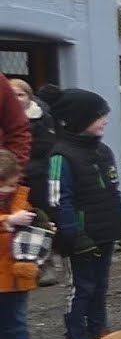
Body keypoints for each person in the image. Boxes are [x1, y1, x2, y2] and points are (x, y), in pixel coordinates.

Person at [45, 87, 121, 339]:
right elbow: (58, 201)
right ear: (80, 120)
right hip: (80, 239)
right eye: (99, 116)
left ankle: (99, 334)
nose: (105, 120)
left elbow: (113, 190)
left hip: (104, 233)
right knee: (81, 288)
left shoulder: (103, 151)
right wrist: (75, 235)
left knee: (100, 286)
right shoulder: (61, 156)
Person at [0, 149, 50, 339]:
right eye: (6, 185)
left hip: (16, 274)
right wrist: (8, 220)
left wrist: (41, 226)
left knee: (17, 320)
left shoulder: (20, 197)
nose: (10, 189)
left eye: (13, 184)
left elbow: (30, 220)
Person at [9, 79, 57, 288]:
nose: (17, 99)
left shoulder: (42, 118)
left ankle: (44, 262)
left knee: (38, 218)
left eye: (21, 94)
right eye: (12, 95)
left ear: (29, 97)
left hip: (35, 176)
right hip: (8, 177)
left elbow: (44, 147)